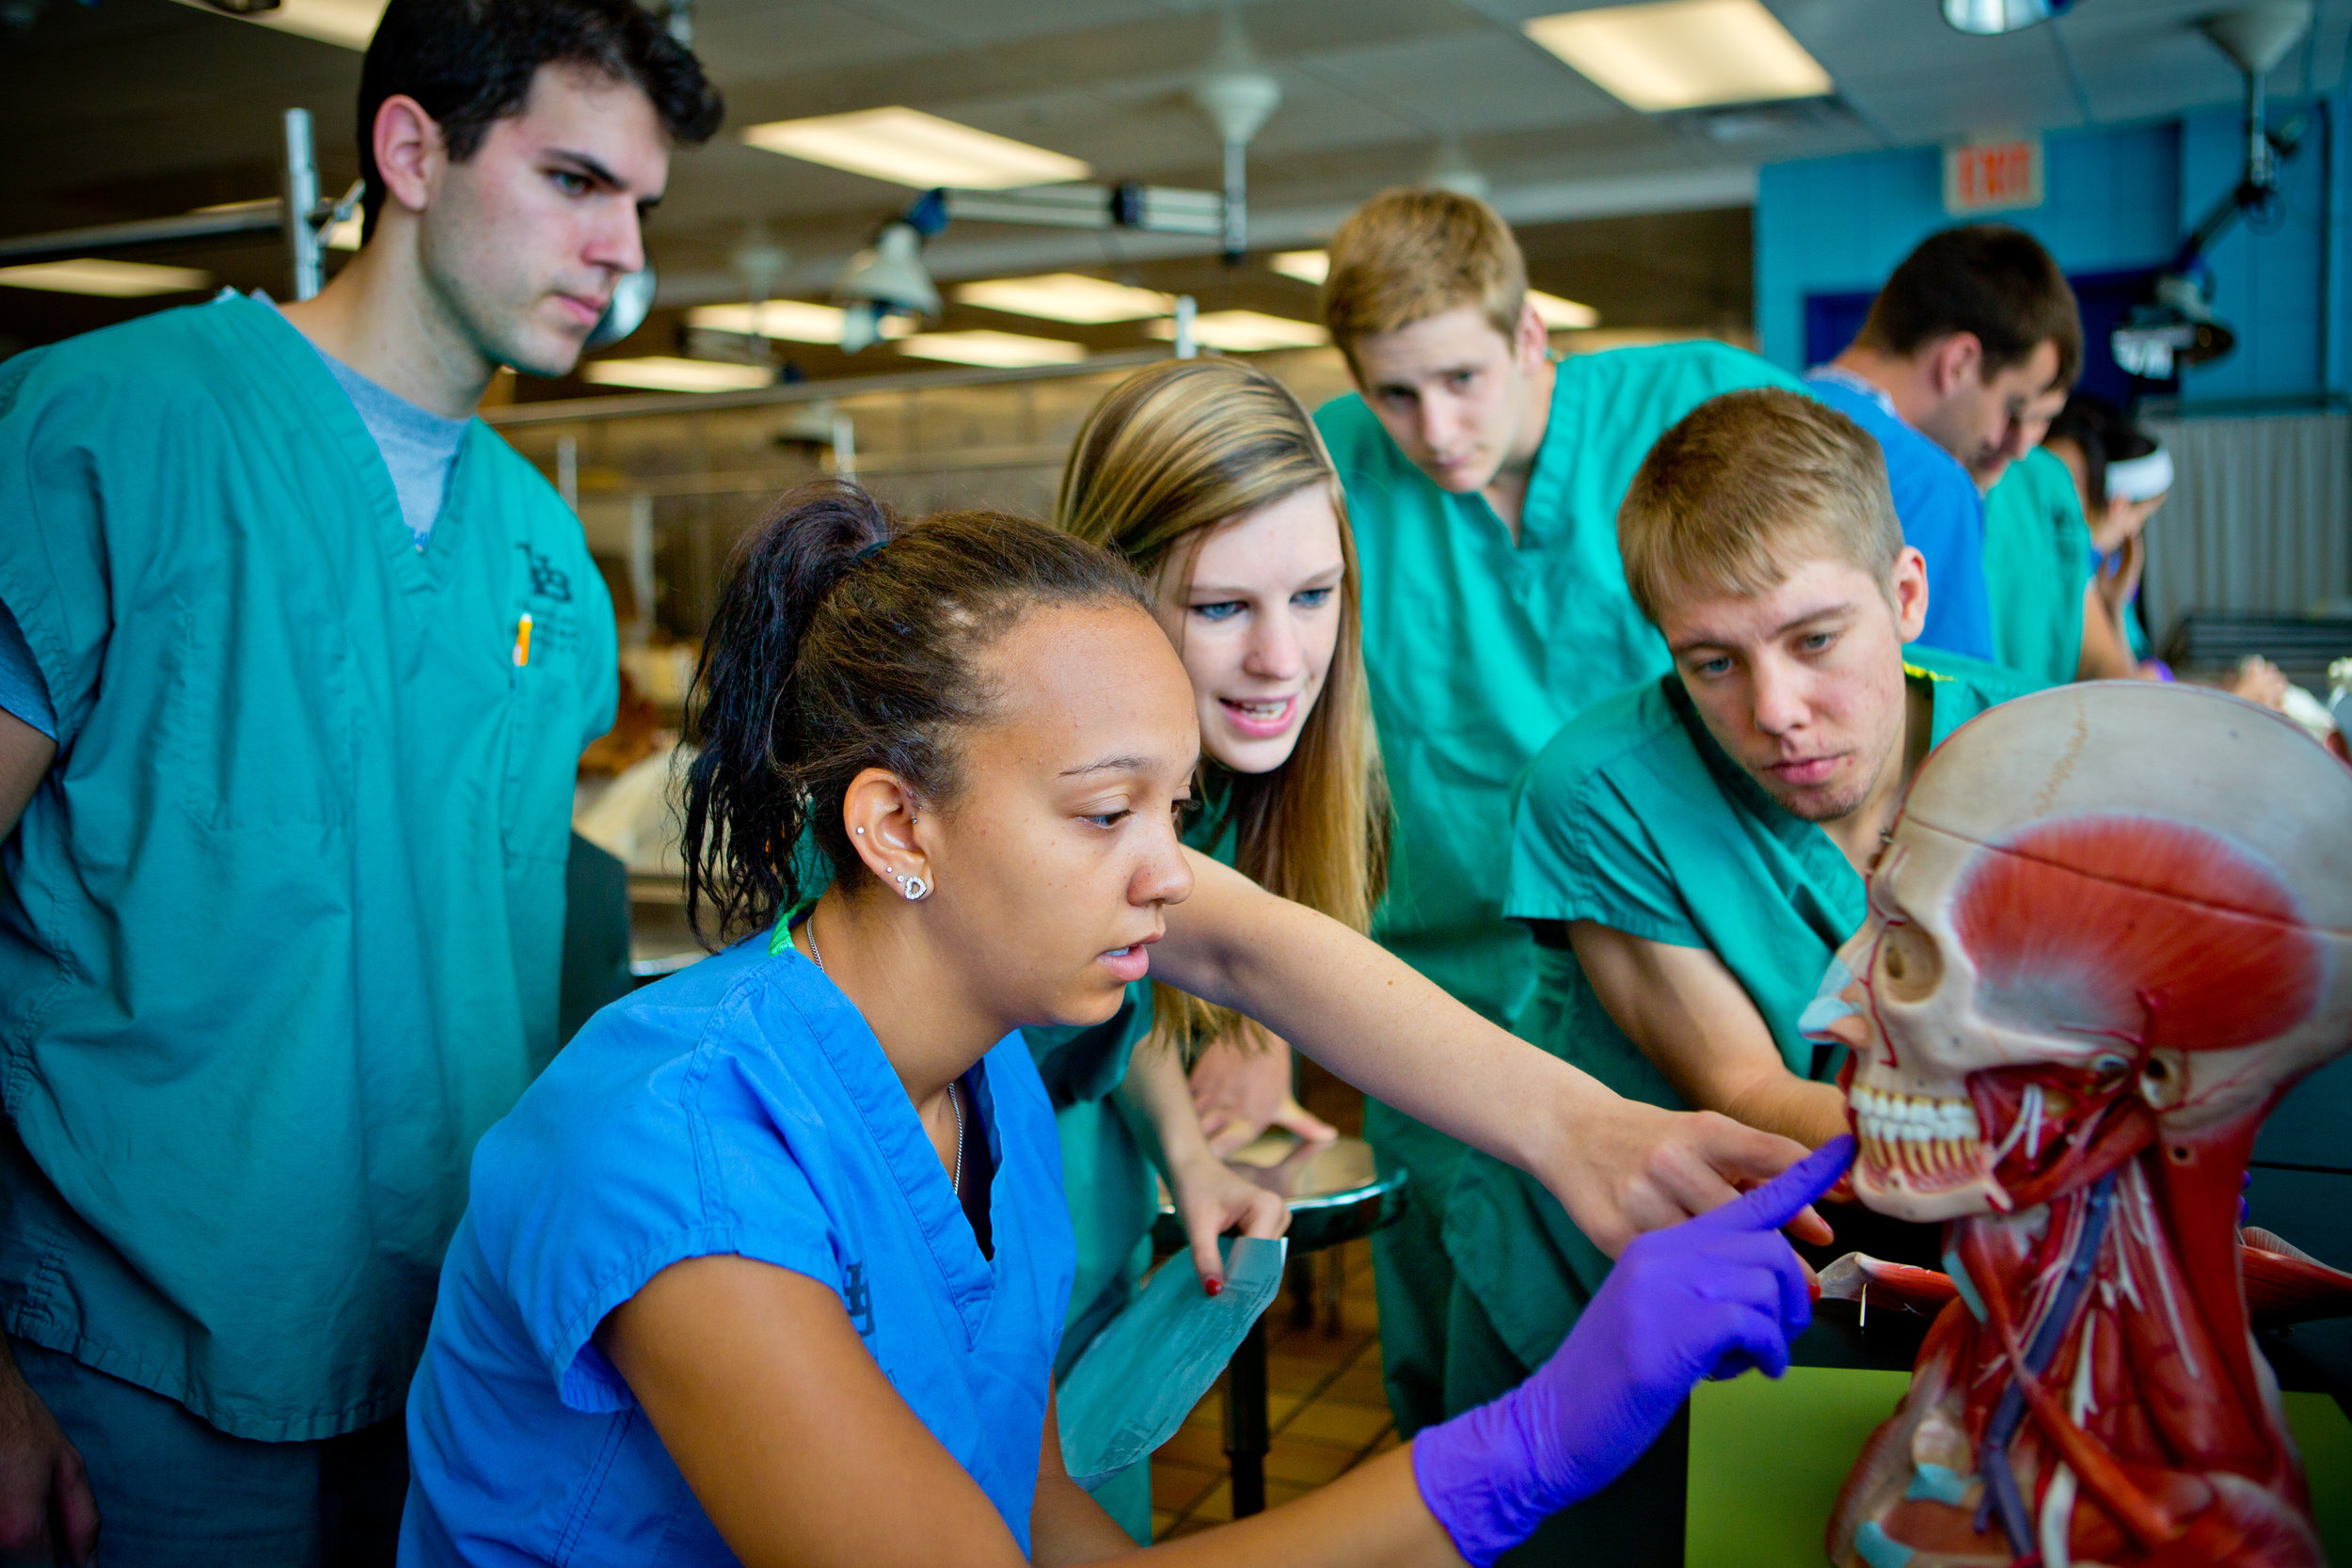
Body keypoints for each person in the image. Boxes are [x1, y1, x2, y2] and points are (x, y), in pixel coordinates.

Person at [397, 483, 1857, 1567]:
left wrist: (1589, 1135)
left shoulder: (987, 1091)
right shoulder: (680, 1156)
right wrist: (1522, 1445)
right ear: (896, 822)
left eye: (1173, 807)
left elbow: (1043, 1529)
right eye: (1105, 813)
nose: (1168, 869)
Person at [0, 2, 721, 1561]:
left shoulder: (547, 564)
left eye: (641, 207)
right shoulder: (106, 435)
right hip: (123, 1372)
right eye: (575, 181)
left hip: (446, 1374)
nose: (623, 252)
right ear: (410, 150)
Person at [1439, 388, 2042, 1566]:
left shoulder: (2037, 746)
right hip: (1607, 1283)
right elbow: (1745, 1092)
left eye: (1815, 639)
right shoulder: (1599, 790)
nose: (1774, 711)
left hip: (1894, 1271)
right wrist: (2035, 1153)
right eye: (1712, 661)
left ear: (1906, 595)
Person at [1310, 185, 1804, 1435]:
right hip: (1436, 1006)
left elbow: (1867, 560)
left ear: (1534, 334)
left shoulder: (1691, 404)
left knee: (1705, 1389)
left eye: (1464, 377)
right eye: (1396, 393)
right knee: (1457, 1382)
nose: (1435, 427)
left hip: (1672, 988)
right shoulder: (1335, 466)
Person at [1031, 356, 1369, 1536]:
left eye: (1315, 595)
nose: (1283, 658)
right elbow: (1233, 959)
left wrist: (1184, 1149)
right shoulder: (1026, 779)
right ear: (1111, 593)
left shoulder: (1214, 776)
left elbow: (1116, 996)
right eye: (1223, 607)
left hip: (1093, 1262)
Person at [1806, 224, 2083, 665]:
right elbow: (1952, 716)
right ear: (1958, 363)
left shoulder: (1755, 419)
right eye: (2012, 409)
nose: (2015, 448)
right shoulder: (1931, 485)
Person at [2043, 395, 2293, 703]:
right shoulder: (2068, 562)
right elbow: (2126, 692)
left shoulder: (2093, 572)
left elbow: (2126, 676)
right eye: (2142, 516)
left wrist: (2113, 604)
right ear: (2119, 506)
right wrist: (2233, 701)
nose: (2133, 531)